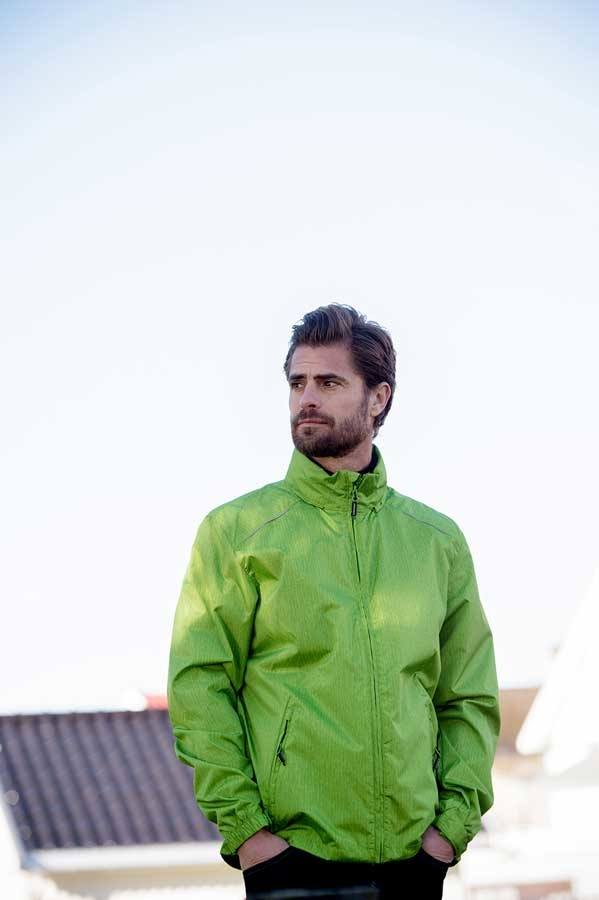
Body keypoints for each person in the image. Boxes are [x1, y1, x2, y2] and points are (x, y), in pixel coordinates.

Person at [167, 304, 501, 899]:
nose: (307, 399)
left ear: (378, 397)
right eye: (297, 382)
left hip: (413, 863)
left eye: (328, 382)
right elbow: (200, 689)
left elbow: (467, 696)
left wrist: (448, 834)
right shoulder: (237, 532)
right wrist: (250, 837)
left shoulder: (436, 541)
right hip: (289, 859)